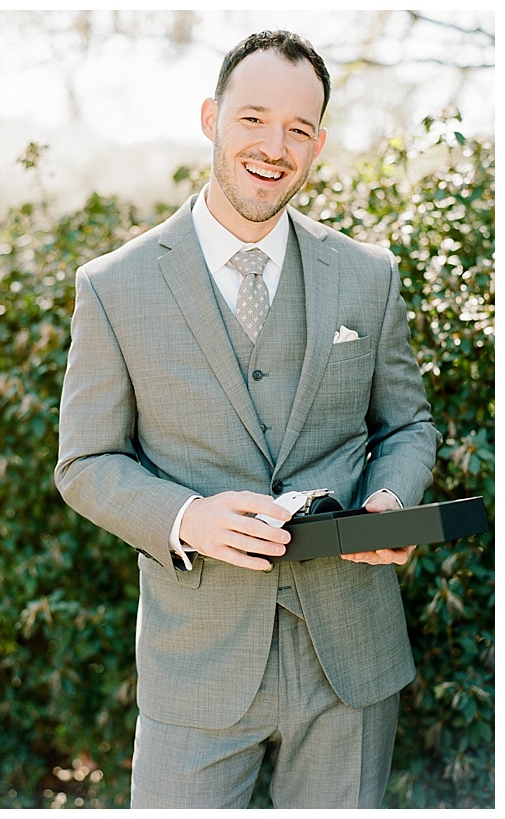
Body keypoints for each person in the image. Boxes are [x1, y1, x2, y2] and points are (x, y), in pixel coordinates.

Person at [54, 30, 438, 809]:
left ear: (319, 144)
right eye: (253, 119)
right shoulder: (115, 286)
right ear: (210, 118)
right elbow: (85, 462)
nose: (275, 147)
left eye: (299, 129)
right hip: (196, 663)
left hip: (351, 659)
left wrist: (389, 504)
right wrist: (187, 517)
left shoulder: (369, 275)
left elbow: (408, 426)